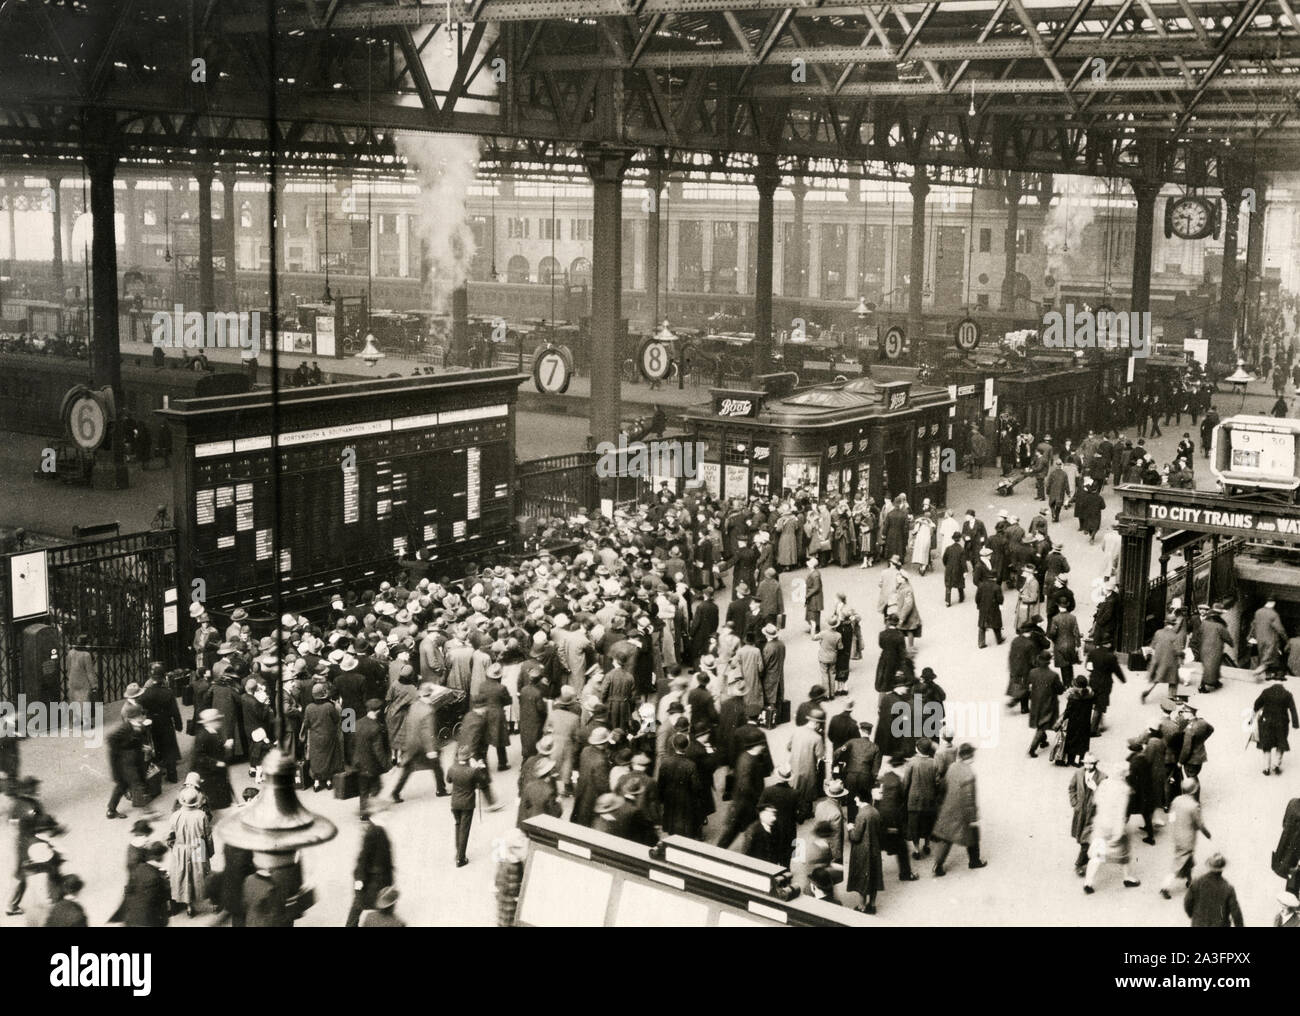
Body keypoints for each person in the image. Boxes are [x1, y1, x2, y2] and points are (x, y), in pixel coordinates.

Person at [1083, 761, 1140, 893]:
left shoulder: (1104, 783)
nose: (1128, 773)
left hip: (1101, 824)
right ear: (1122, 775)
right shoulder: (1123, 789)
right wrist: (1118, 832)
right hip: (1113, 827)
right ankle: (1127, 878)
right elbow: (1120, 813)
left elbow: (1095, 800)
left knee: (1097, 855)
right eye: (1127, 771)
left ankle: (1088, 882)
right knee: (1124, 853)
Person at [931, 743, 984, 875]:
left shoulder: (952, 767)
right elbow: (969, 799)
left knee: (947, 838)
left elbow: (943, 786)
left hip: (948, 809)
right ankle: (974, 861)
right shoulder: (969, 774)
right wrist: (972, 818)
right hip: (962, 813)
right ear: (970, 756)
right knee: (973, 835)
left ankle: (938, 865)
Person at [391, 683, 448, 802]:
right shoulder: (428, 710)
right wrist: (431, 750)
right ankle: (441, 790)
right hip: (423, 745)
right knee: (437, 766)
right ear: (430, 695)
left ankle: (395, 792)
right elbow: (428, 732)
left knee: (408, 769)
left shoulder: (414, 706)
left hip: (412, 743)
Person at [1161, 779, 1211, 900]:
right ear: (1194, 790)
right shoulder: (1194, 806)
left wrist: (1174, 828)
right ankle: (1165, 887)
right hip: (1187, 839)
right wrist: (1207, 834)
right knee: (1178, 865)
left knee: (1187, 860)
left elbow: (1171, 817)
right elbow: (1200, 824)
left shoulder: (1176, 800)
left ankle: (1189, 881)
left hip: (1177, 836)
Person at [167, 786, 211, 917]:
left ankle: (188, 904)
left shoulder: (175, 816)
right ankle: (198, 897)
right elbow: (208, 836)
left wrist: (173, 847)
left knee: (183, 875)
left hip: (181, 849)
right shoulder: (202, 815)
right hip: (198, 847)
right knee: (198, 874)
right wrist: (209, 852)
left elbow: (170, 836)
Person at [347, 809, 394, 928]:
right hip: (375, 877)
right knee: (362, 903)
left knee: (361, 902)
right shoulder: (374, 832)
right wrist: (360, 879)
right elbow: (363, 858)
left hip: (376, 876)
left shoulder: (377, 830)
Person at [448, 744, 493, 867]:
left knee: (458, 825)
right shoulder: (473, 771)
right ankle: (460, 858)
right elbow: (483, 781)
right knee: (464, 830)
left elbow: (449, 780)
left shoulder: (452, 768)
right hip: (467, 804)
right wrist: (480, 767)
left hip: (455, 803)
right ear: (468, 758)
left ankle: (458, 852)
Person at [106, 701, 151, 819]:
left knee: (122, 786)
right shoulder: (125, 728)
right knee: (136, 783)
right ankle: (146, 812)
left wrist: (141, 747)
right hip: (125, 763)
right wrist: (123, 751)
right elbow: (110, 739)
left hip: (132, 759)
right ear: (134, 717)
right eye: (141, 715)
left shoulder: (138, 726)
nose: (143, 717)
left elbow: (135, 741)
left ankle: (111, 810)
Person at [1253, 672, 1299, 775]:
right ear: (1282, 683)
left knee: (1267, 745)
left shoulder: (1266, 692)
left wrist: (1257, 711)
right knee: (1280, 744)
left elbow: (1257, 704)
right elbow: (1293, 710)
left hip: (1267, 722)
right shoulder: (1287, 694)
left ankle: (1266, 768)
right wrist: (1295, 723)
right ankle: (1276, 765)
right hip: (1282, 723)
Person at [1184, 854, 1243, 927]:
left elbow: (1187, 903)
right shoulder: (1228, 888)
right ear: (1222, 869)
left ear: (1210, 867)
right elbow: (1236, 914)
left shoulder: (1196, 883)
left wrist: (1194, 916)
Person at [121, 841, 171, 927]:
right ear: (160, 857)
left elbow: (127, 892)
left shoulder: (138, 868)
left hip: (131, 920)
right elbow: (162, 904)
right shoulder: (158, 876)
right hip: (149, 921)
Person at [1068, 754, 1102, 876]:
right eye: (1086, 763)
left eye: (1091, 763)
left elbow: (1105, 796)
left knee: (1085, 840)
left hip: (1093, 814)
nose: (1088, 766)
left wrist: (1096, 788)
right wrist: (1074, 803)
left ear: (1095, 764)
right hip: (1080, 813)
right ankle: (1086, 858)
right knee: (1082, 837)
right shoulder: (1078, 773)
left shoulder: (1102, 777)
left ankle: (1079, 864)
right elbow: (1071, 788)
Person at [1027, 653, 1063, 759]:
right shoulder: (1053, 675)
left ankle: (1043, 741)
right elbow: (1060, 690)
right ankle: (1032, 749)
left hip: (1035, 702)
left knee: (1039, 721)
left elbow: (1028, 684)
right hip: (1048, 703)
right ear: (1049, 661)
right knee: (1043, 725)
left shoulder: (1032, 672)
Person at [975, 571, 1004, 649]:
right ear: (995, 578)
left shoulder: (981, 585)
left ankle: (981, 643)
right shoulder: (997, 587)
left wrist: (979, 605)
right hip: (994, 608)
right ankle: (999, 640)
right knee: (996, 624)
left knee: (982, 625)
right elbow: (1000, 599)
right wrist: (1000, 604)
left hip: (983, 608)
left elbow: (977, 598)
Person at [942, 531, 967, 606]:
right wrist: (965, 571)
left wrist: (947, 565)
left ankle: (947, 601)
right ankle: (961, 597)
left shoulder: (948, 548)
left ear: (953, 539)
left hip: (949, 569)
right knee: (960, 583)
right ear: (959, 539)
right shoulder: (961, 549)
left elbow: (944, 559)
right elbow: (963, 562)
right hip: (958, 569)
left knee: (948, 585)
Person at [804, 556, 824, 635]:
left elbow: (816, 587)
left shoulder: (815, 575)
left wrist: (807, 595)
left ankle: (815, 628)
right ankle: (813, 627)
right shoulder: (814, 573)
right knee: (812, 611)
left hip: (814, 597)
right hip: (813, 597)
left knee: (814, 612)